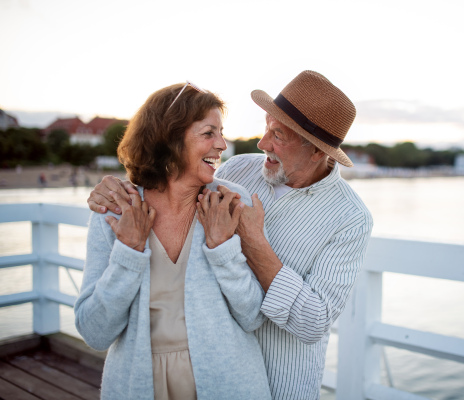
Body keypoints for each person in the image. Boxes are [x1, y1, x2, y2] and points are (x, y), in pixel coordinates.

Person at [87, 70, 373, 400]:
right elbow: (174, 181)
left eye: (278, 136)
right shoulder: (236, 172)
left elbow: (313, 322)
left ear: (317, 152)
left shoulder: (351, 218)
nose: (262, 142)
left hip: (282, 381)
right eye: (267, 127)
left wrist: (253, 242)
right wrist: (113, 191)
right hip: (206, 370)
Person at [75, 82, 271, 399]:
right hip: (138, 385)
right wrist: (129, 252)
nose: (222, 144)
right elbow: (94, 332)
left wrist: (223, 250)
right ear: (170, 136)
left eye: (221, 133)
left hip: (228, 383)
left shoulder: (229, 203)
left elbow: (253, 317)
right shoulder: (115, 208)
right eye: (209, 133)